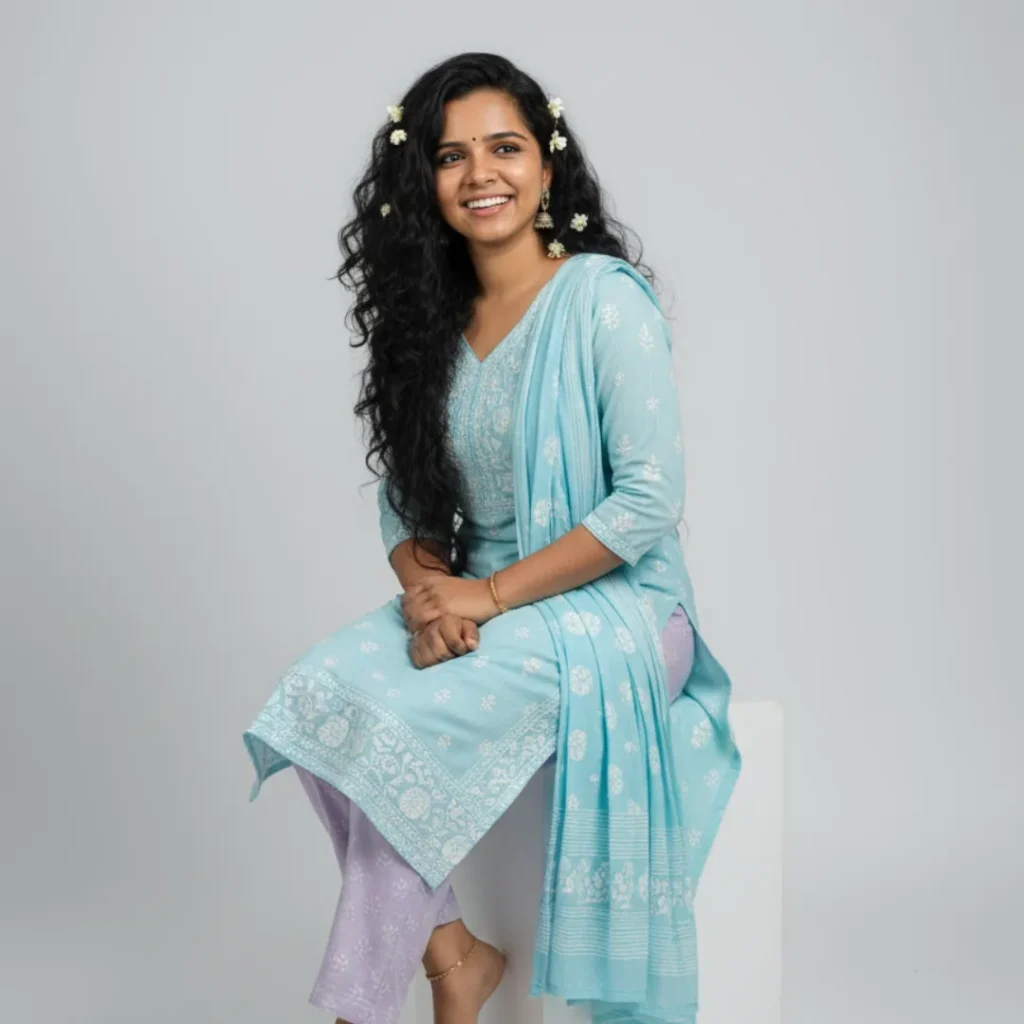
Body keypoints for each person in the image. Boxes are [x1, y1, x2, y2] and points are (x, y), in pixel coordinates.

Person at [243, 52, 742, 1024]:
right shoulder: (438, 327)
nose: (482, 175)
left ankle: (359, 1008)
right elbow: (408, 503)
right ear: (422, 183)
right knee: (314, 701)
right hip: (478, 607)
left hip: (620, 614)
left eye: (505, 147)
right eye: (452, 155)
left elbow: (646, 502)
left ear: (548, 164)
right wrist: (430, 592)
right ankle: (454, 953)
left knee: (402, 732)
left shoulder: (603, 301)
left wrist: (489, 595)